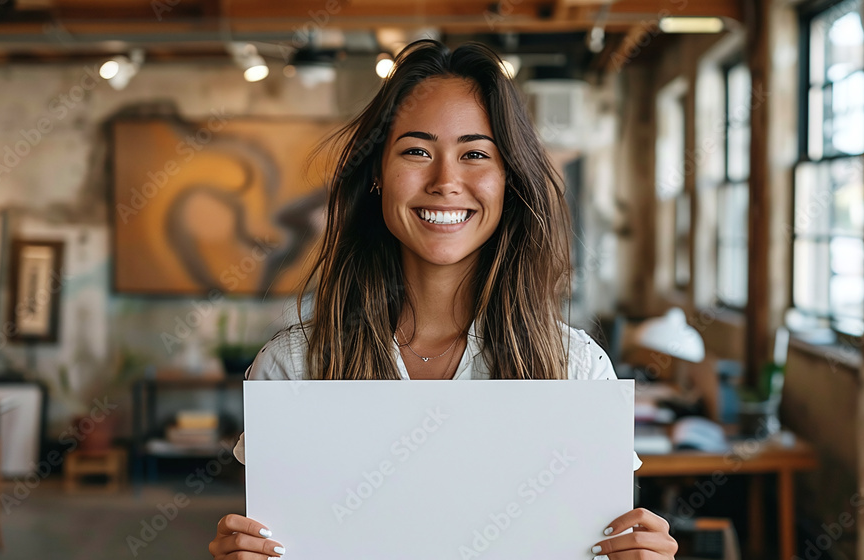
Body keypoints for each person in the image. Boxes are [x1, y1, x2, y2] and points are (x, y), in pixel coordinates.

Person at [208, 39, 678, 560]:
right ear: (377, 177)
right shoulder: (293, 368)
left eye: (475, 154)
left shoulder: (576, 369)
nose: (446, 181)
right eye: (417, 151)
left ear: (509, 180)